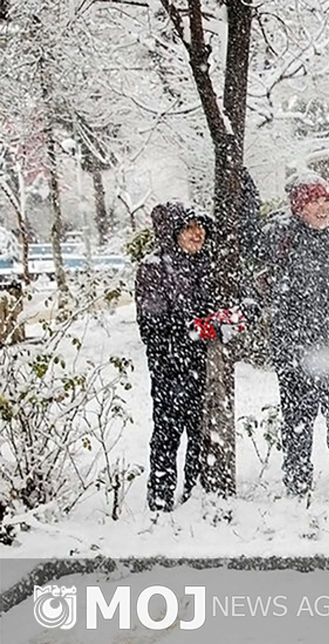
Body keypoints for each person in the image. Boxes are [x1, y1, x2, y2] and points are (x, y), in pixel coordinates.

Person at [249, 171, 329, 497]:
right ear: (298, 206)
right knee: (298, 420)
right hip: (296, 350)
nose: (323, 208)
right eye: (314, 201)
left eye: (327, 199)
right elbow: (252, 271)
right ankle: (297, 483)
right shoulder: (280, 237)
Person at [136, 202, 214, 511]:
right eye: (189, 228)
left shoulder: (208, 264)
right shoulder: (153, 268)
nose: (198, 234)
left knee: (200, 431)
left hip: (204, 364)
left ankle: (195, 493)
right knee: (168, 432)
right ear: (172, 233)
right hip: (169, 365)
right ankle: (160, 498)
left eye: (200, 227)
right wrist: (195, 329)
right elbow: (153, 323)